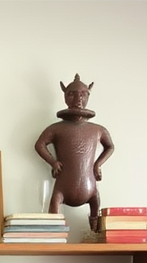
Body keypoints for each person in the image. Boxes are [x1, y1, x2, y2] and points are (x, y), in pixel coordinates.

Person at [33, 75, 115, 231]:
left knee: (95, 201)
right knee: (55, 202)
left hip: (89, 184)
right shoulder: (56, 128)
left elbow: (110, 146)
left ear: (88, 95)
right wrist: (53, 162)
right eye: (72, 93)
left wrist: (98, 164)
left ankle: (95, 231)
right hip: (64, 184)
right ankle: (53, 233)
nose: (78, 98)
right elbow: (39, 145)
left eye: (83, 94)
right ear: (65, 95)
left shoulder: (98, 130)